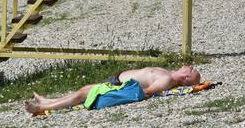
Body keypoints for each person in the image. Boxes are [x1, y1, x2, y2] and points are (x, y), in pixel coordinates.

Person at [25, 65, 200, 115]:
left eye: (192, 71)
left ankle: (41, 108)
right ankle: (48, 102)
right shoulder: (168, 73)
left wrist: (121, 93)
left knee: (82, 94)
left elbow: (147, 91)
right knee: (83, 90)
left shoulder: (167, 79)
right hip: (117, 80)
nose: (190, 66)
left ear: (186, 78)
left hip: (119, 86)